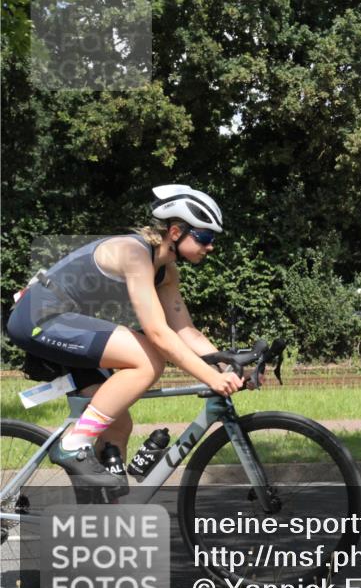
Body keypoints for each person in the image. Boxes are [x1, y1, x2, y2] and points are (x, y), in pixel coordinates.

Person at [6, 185, 246, 494]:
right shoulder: (135, 253)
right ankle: (73, 444)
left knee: (118, 425)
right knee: (147, 360)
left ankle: (105, 520)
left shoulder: (166, 272)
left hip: (68, 324)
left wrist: (230, 365)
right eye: (204, 237)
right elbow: (159, 334)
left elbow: (187, 332)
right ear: (175, 232)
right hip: (38, 317)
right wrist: (210, 378)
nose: (210, 246)